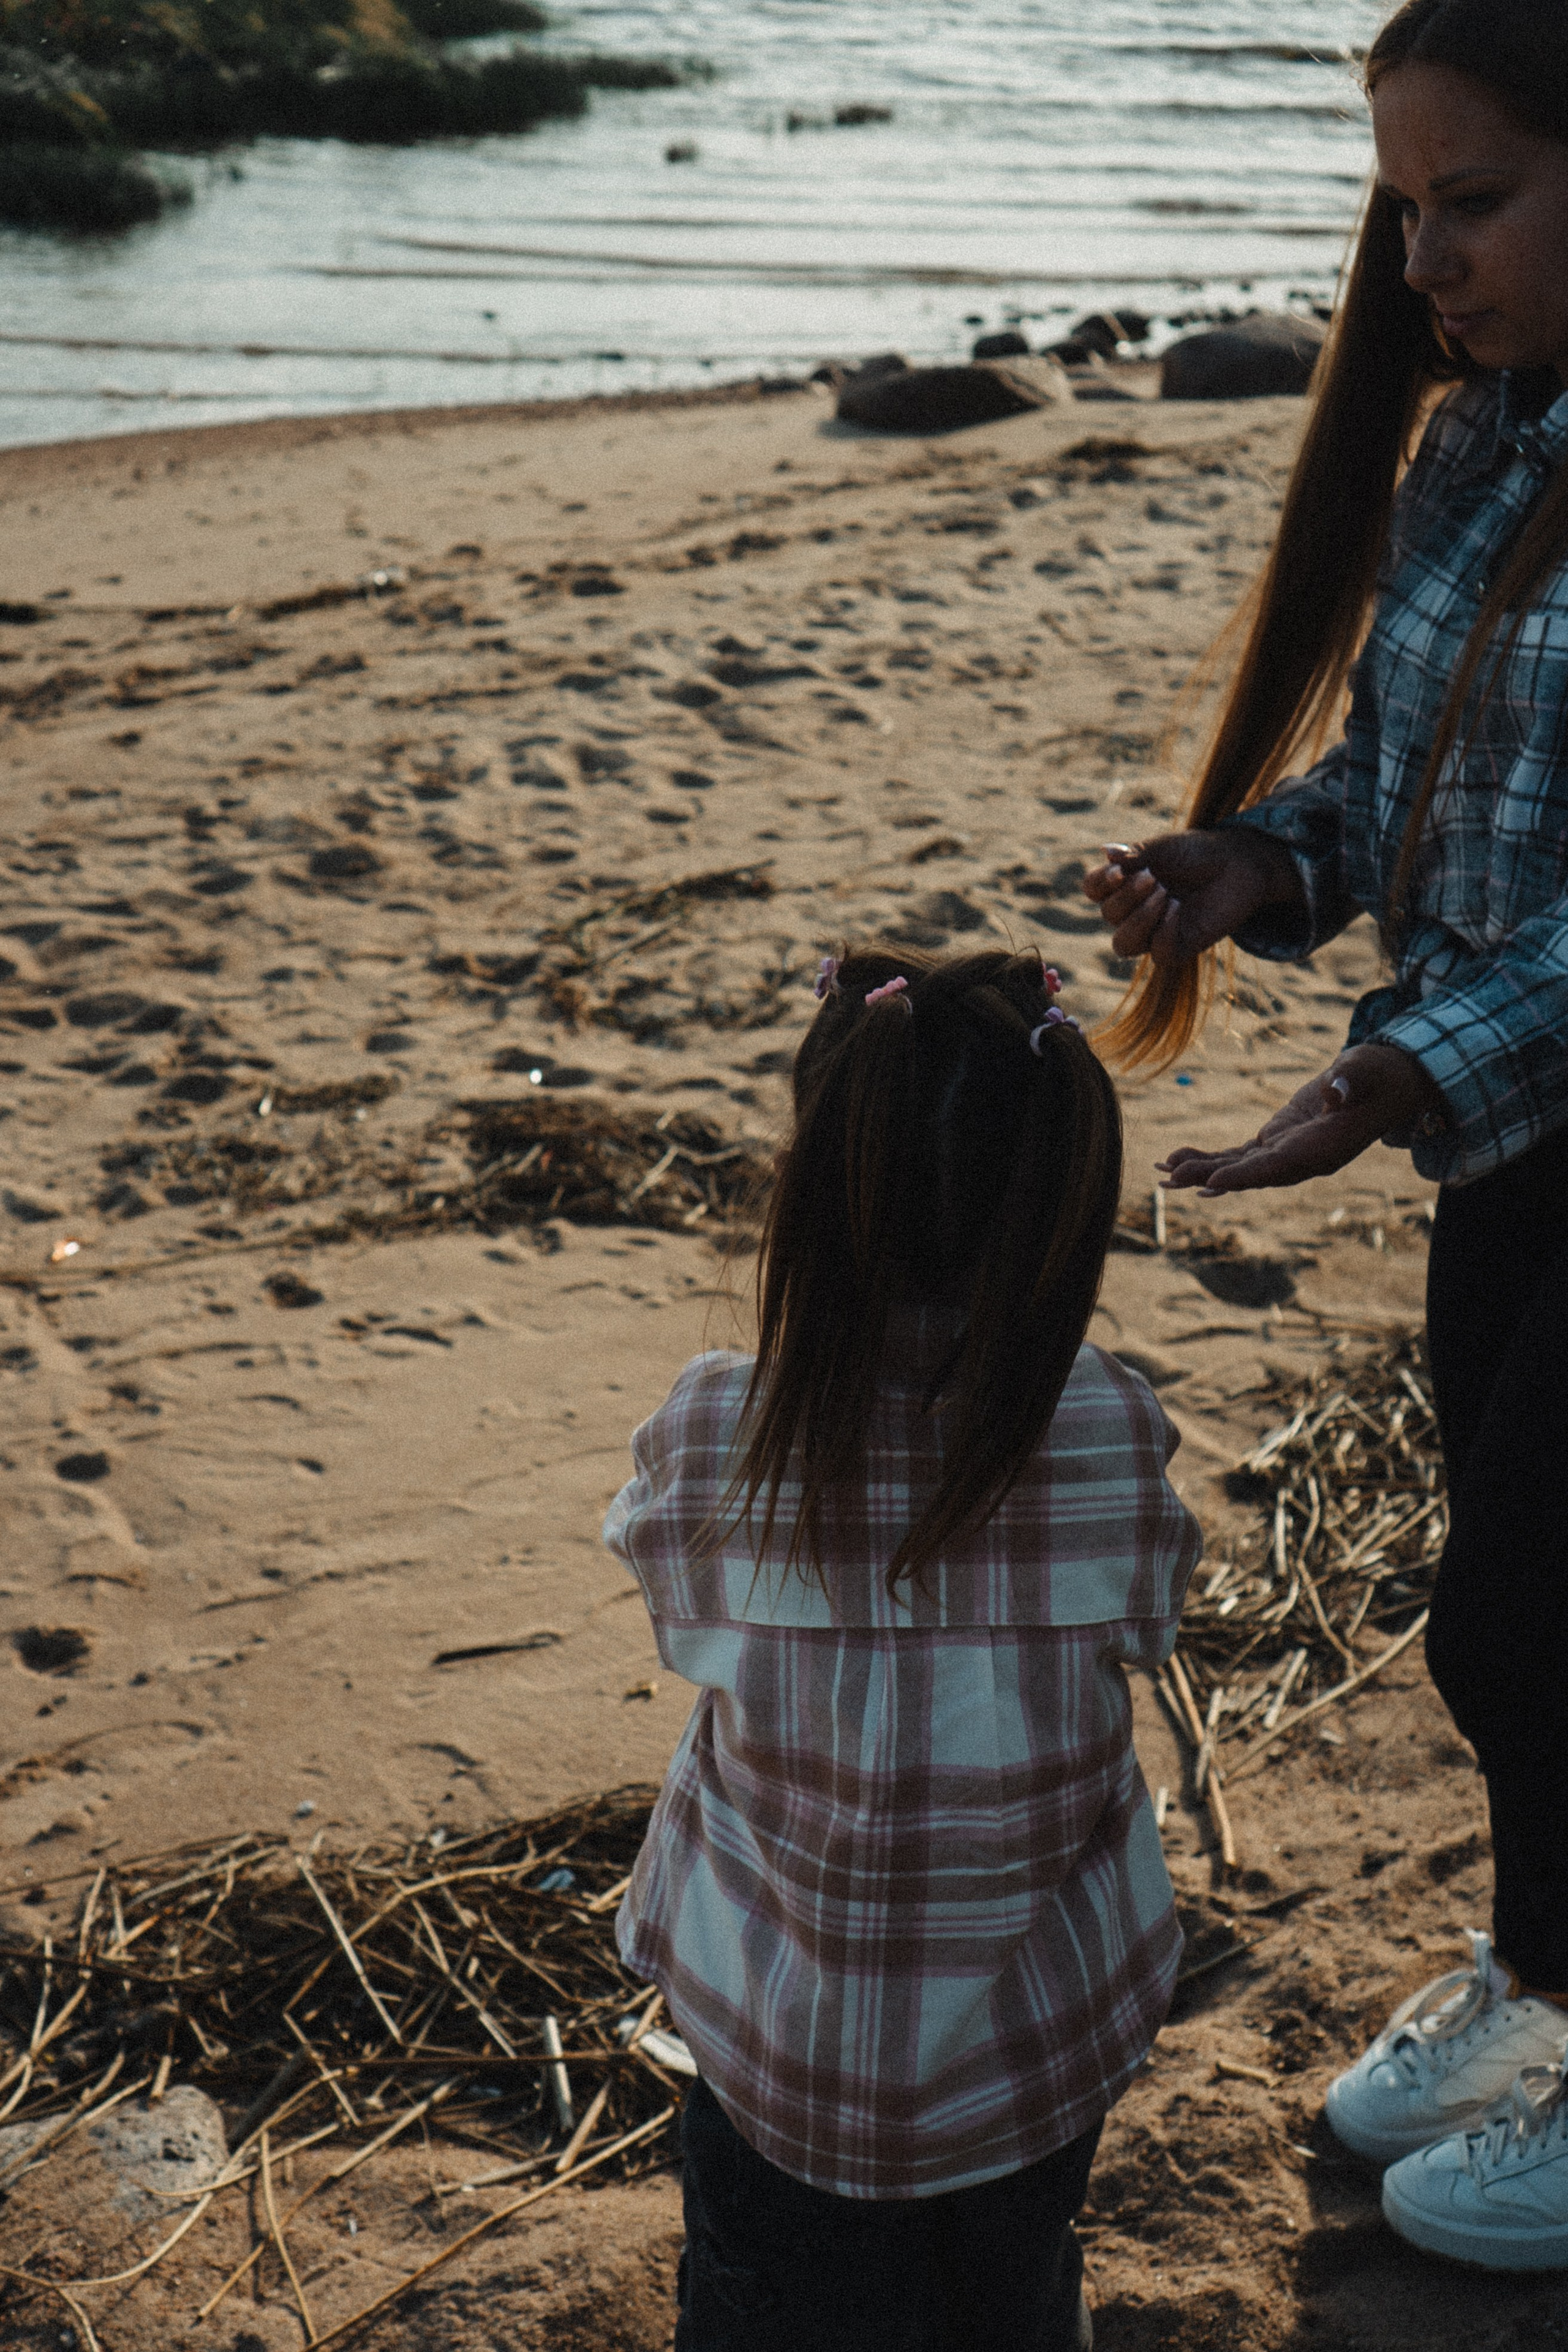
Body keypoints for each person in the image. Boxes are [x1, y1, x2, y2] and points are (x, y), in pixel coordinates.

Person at [1082, 0, 1568, 2275]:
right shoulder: (1480, 447)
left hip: (1499, 1098)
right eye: (1399, 211)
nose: (1422, 263)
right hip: (1512, 1149)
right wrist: (1260, 864)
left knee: (1533, 1604)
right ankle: (1545, 1977)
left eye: (1476, 202)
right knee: (1512, 1599)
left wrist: (1391, 1074)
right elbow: (1413, 778)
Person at [605, 948, 1201, 2351]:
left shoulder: (720, 1434)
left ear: (815, 1200)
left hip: (785, 2056)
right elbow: (1151, 1616)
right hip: (1032, 2051)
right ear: (1061, 1218)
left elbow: (671, 1603)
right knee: (1009, 2295)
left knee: (769, 2307)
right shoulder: (1107, 1431)